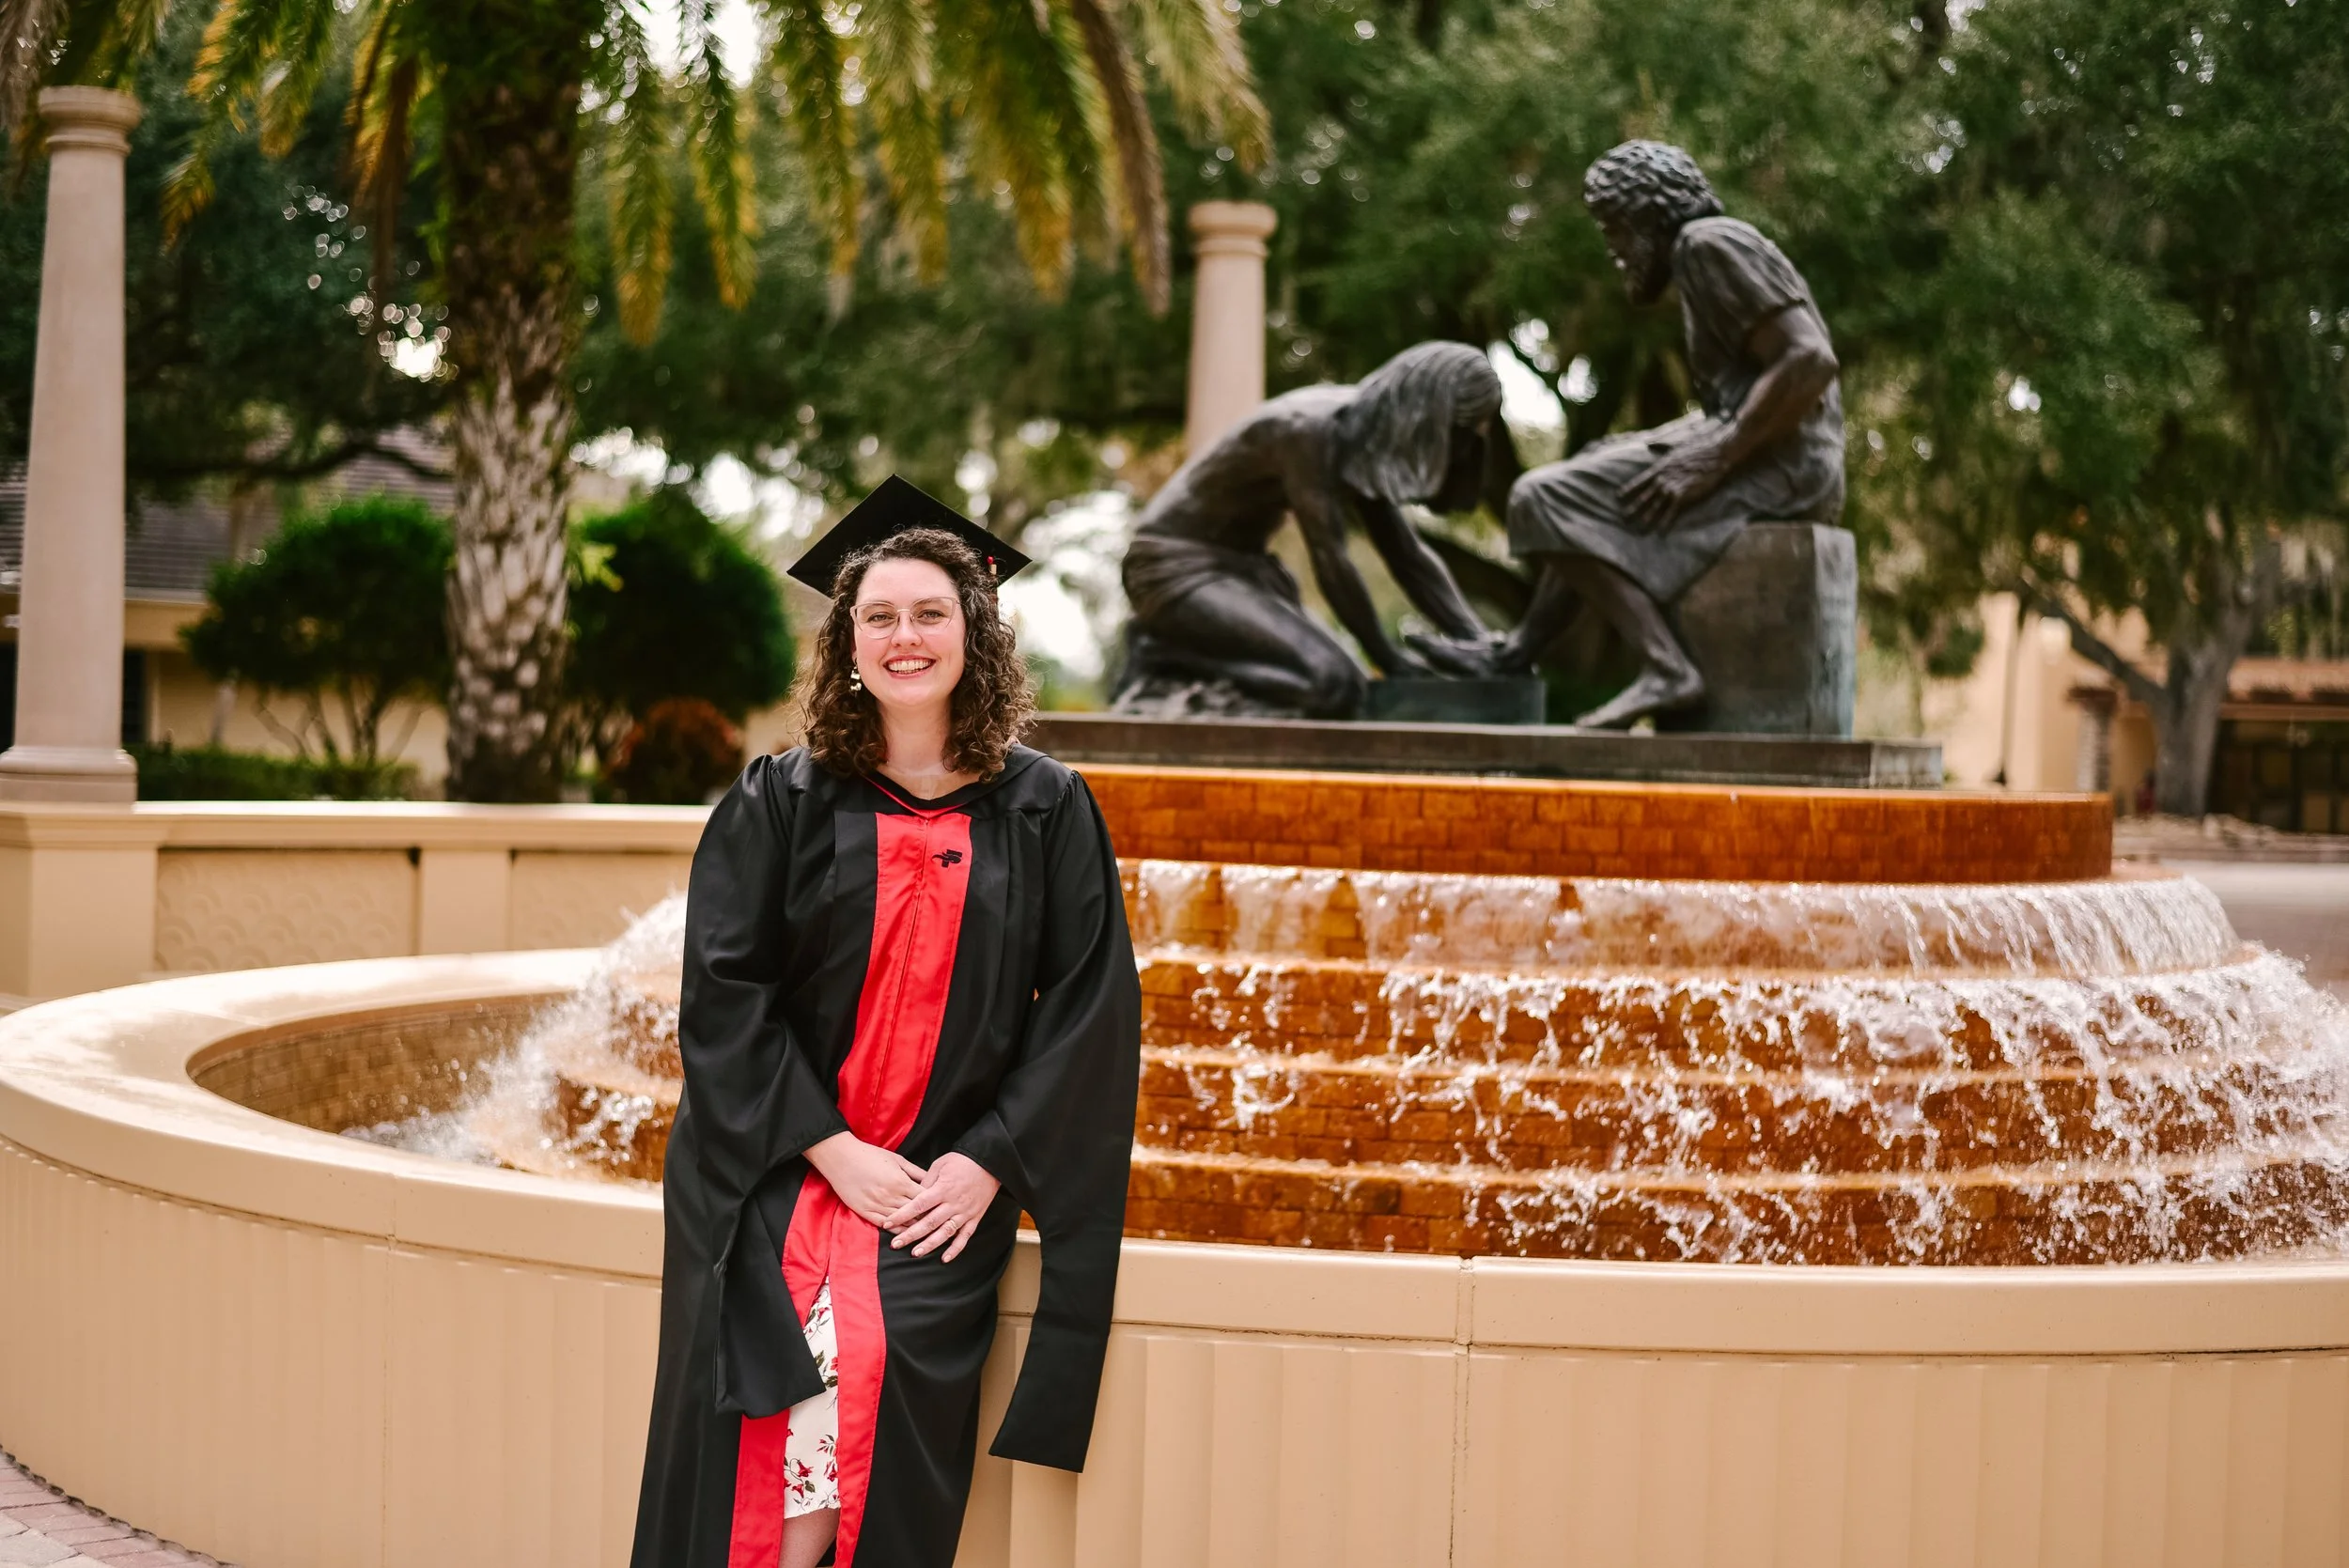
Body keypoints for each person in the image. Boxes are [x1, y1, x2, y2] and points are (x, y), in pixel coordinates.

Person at [630, 475, 1142, 1568]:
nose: (904, 637)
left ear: (975, 633)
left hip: (931, 1188)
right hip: (777, 1164)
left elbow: (1088, 1009)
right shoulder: (781, 800)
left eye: (929, 614)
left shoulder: (1046, 808)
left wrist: (991, 1160)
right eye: (879, 616)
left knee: (877, 1354)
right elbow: (723, 993)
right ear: (848, 641)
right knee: (763, 1373)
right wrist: (829, 1147)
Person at [1413, 142, 1845, 728]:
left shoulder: (1707, 244)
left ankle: (1667, 669)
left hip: (1783, 466)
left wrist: (1713, 457)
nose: (1614, 251)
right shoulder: (1709, 249)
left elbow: (1810, 361)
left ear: (1649, 214)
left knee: (1540, 495)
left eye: (1615, 230)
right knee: (1585, 472)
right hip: (1770, 450)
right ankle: (1516, 653)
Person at [1112, 340, 1503, 717]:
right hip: (1171, 568)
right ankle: (1167, 655)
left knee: (1346, 686)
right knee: (1333, 686)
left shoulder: (1368, 437)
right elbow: (1331, 559)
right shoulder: (1308, 430)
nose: (1458, 450)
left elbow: (1407, 554)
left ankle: (1184, 655)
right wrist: (1391, 660)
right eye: (1456, 432)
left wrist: (1478, 642)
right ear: (1421, 417)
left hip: (1247, 571)